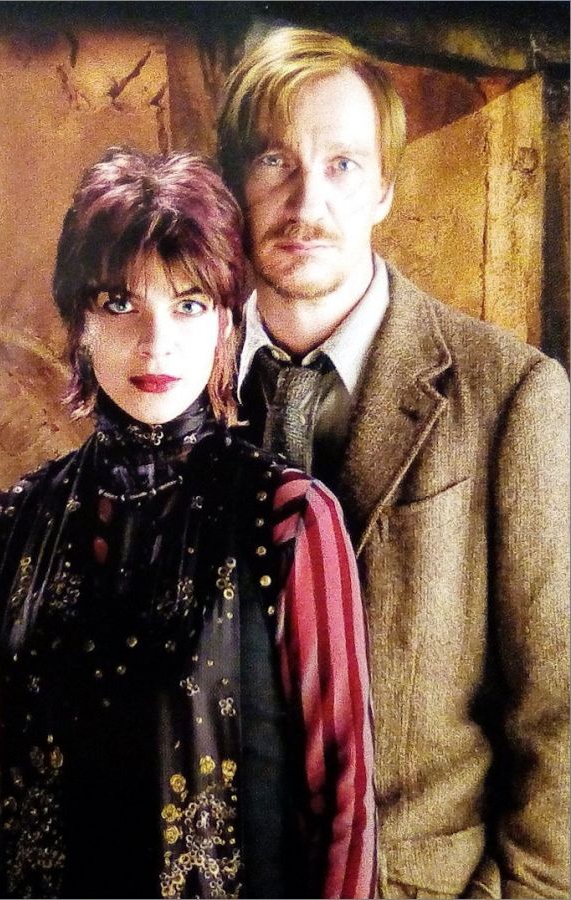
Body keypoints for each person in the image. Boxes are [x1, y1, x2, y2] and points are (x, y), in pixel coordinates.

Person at [0, 148, 377, 900]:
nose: (155, 342)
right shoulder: (2, 534)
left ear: (227, 322)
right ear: (79, 322)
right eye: (119, 304)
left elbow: (344, 802)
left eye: (188, 304)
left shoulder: (291, 520)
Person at [217, 26, 570, 900]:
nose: (306, 200)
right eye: (274, 160)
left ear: (384, 188)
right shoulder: (170, 386)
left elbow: (561, 718)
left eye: (342, 164)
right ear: (231, 183)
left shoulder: (514, 395)